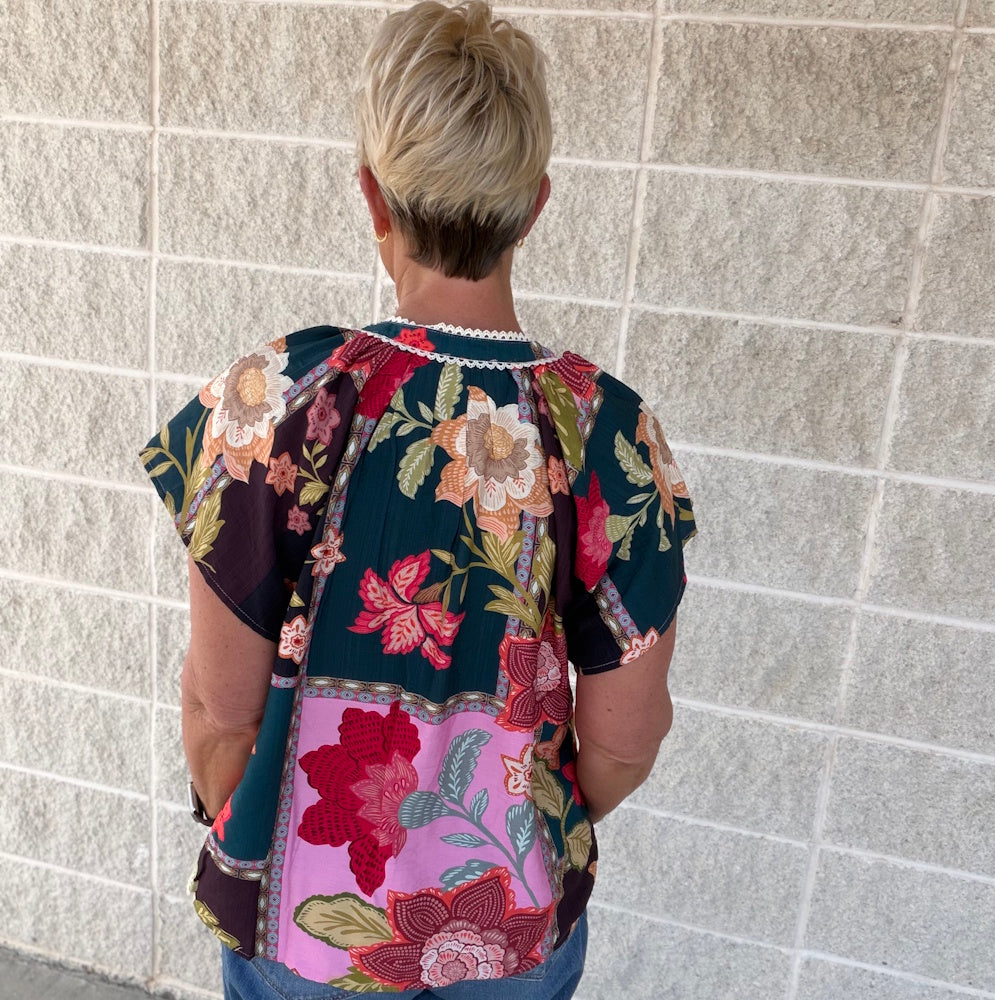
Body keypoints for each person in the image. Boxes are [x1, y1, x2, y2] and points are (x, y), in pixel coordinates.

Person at [141, 3, 695, 997]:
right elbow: (622, 739)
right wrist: (522, 839)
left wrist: (271, 848)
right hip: (514, 929)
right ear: (534, 204)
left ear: (372, 198)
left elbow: (217, 718)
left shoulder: (276, 403)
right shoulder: (608, 433)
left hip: (303, 933)